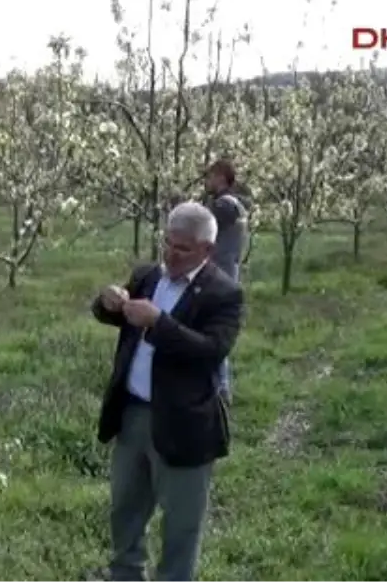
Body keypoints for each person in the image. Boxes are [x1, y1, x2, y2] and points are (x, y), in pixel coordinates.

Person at [91, 201, 244, 582]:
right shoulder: (147, 278)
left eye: (183, 249)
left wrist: (160, 324)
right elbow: (117, 314)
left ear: (207, 250)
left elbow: (211, 350)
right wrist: (107, 302)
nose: (171, 254)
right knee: (125, 507)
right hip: (133, 415)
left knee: (180, 521)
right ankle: (125, 573)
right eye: (167, 243)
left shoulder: (223, 293)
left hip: (184, 422)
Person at [203, 159, 249, 406]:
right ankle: (219, 390)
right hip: (228, 275)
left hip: (218, 279)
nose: (206, 182)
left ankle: (219, 392)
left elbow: (201, 225)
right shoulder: (236, 205)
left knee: (212, 336)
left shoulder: (224, 207)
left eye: (209, 176)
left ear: (221, 177)